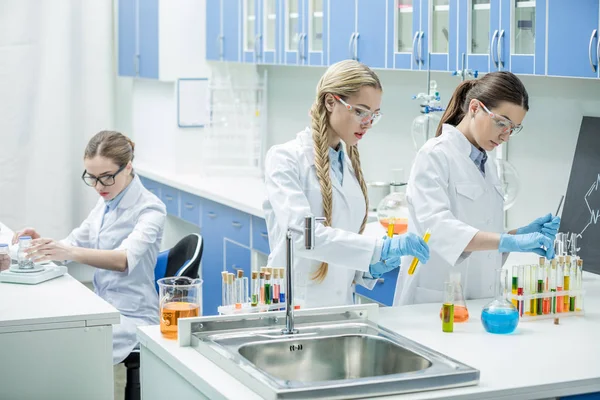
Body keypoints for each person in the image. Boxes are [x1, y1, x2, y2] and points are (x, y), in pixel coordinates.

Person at [263, 60, 429, 309]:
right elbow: (303, 237)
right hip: (296, 307)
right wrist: (379, 248)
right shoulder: (285, 158)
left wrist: (370, 268)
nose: (368, 123)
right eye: (360, 111)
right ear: (331, 102)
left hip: (341, 308)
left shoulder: (349, 166)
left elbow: (343, 246)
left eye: (374, 115)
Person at [13, 130, 166, 397]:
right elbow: (74, 241)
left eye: (106, 177)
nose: (98, 186)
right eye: (92, 178)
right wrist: (43, 245)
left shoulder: (150, 209)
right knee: (44, 334)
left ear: (128, 166)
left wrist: (67, 251)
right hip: (103, 306)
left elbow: (122, 260)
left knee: (66, 346)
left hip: (133, 316)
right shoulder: (106, 203)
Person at [394, 71, 560, 306]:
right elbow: (439, 228)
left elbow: (485, 246)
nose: (506, 135)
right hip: (434, 302)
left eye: (513, 128)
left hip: (478, 303)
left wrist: (517, 235)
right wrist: (506, 241)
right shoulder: (434, 155)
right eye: (501, 122)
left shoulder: (486, 164)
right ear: (474, 108)